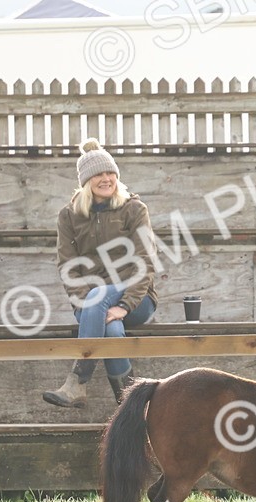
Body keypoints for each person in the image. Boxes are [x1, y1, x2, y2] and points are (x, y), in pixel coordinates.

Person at [43, 138, 157, 408]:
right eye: (98, 174)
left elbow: (145, 262)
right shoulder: (69, 216)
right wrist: (87, 303)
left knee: (100, 300)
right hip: (92, 303)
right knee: (112, 331)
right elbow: (67, 265)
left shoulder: (134, 209)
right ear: (86, 180)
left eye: (110, 173)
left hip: (137, 299)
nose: (106, 179)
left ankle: (78, 382)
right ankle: (130, 405)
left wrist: (126, 306)